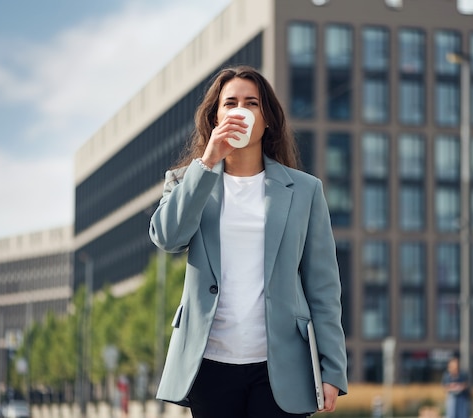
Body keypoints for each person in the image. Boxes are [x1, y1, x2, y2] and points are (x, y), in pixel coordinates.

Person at [149, 65, 348, 418]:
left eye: (252, 103)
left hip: (281, 365)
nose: (240, 110)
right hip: (209, 362)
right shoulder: (186, 182)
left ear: (267, 118)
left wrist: (332, 368)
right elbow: (167, 237)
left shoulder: (304, 190)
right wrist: (208, 160)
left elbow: (323, 286)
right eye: (230, 103)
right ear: (215, 118)